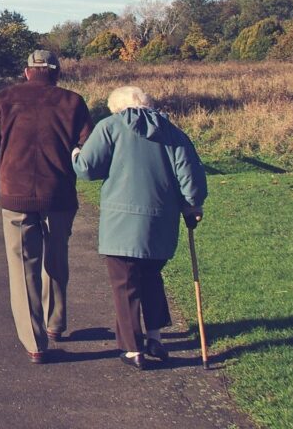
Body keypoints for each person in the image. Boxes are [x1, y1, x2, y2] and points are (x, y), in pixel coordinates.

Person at [72, 86, 207, 370]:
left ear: (117, 108)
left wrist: (75, 154)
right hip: (161, 222)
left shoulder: (110, 127)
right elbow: (190, 177)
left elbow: (87, 168)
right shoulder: (172, 132)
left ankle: (133, 349)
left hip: (121, 223)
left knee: (125, 284)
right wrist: (193, 205)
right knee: (151, 277)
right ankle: (155, 337)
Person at [0, 49, 92, 364]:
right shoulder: (73, 102)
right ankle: (55, 324)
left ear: (27, 72)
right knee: (56, 260)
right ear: (56, 73)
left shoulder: (6, 98)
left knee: (23, 268)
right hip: (59, 196)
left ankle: (35, 343)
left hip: (15, 196)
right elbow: (88, 147)